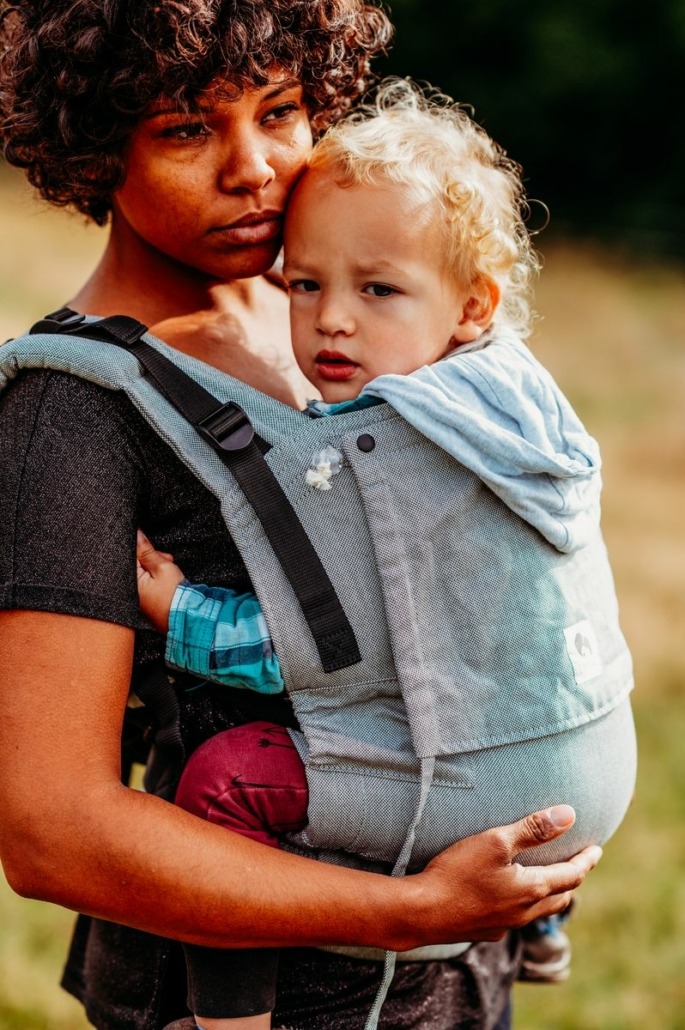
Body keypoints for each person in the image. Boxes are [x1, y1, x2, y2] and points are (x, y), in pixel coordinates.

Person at [0, 5, 603, 1030]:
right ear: (98, 145)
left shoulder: (341, 320)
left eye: (280, 112)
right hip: (260, 999)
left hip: (456, 977)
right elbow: (52, 830)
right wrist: (406, 910)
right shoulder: (73, 408)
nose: (256, 169)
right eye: (186, 129)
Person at [135, 80, 636, 1030]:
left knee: (223, 778)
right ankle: (543, 926)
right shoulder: (520, 401)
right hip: (592, 766)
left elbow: (324, 649)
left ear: (469, 305)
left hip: (490, 792)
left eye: (376, 289)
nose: (331, 320)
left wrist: (177, 615)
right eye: (306, 283)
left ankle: (228, 1021)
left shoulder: (393, 456)